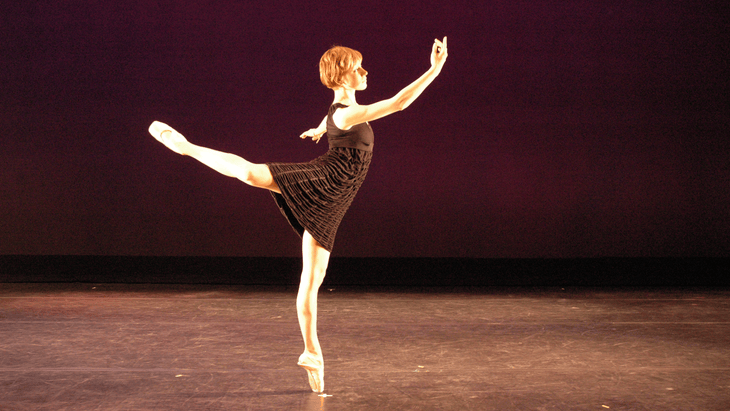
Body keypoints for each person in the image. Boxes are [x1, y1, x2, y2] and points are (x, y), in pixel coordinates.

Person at [148, 37, 448, 393]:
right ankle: (184, 146)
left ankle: (312, 352)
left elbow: (334, 121)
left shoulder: (339, 111)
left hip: (334, 202)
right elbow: (399, 103)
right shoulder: (346, 111)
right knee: (251, 174)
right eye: (357, 68)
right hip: (325, 180)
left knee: (312, 280)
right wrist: (435, 68)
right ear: (340, 76)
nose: (365, 72)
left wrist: (320, 129)